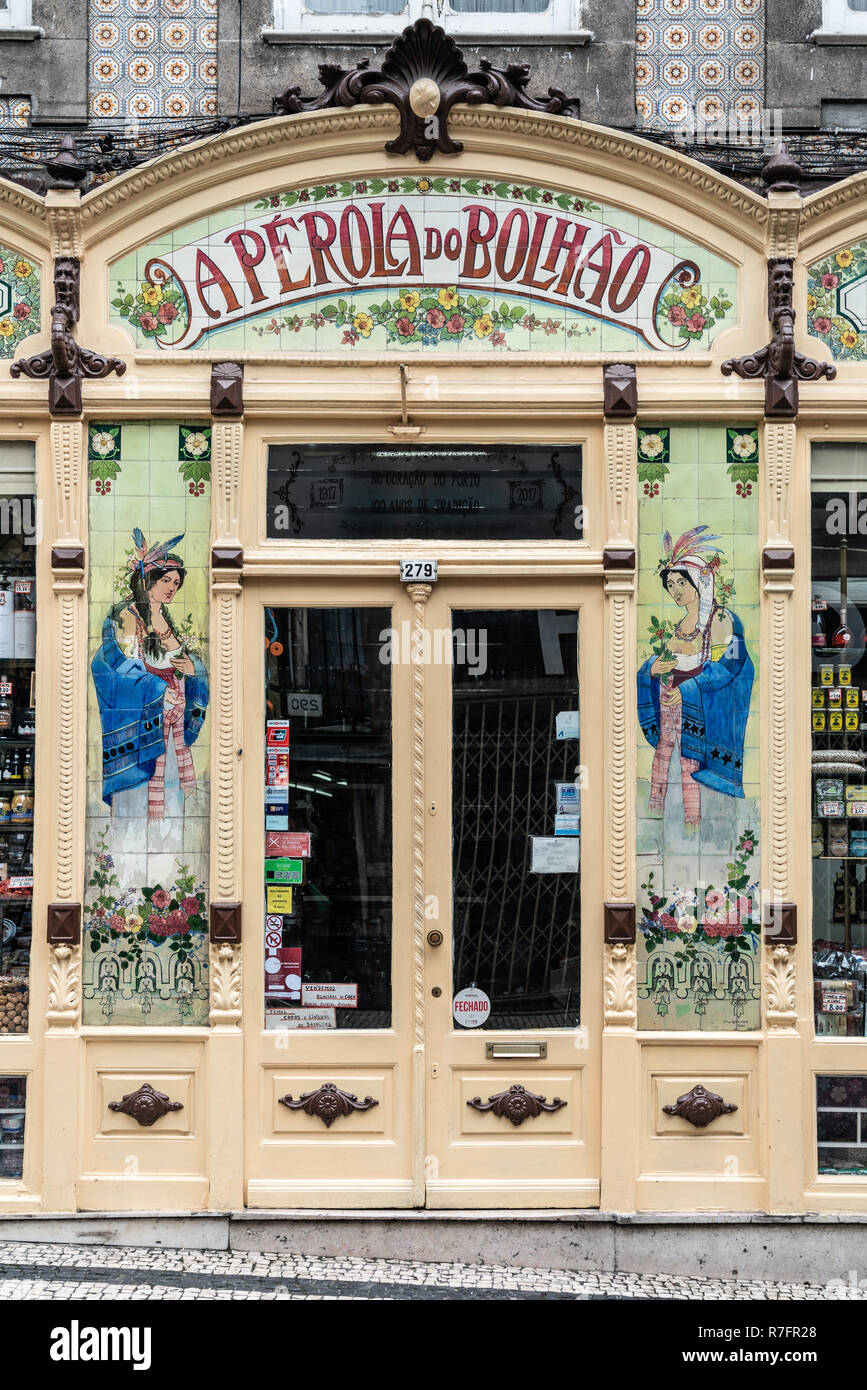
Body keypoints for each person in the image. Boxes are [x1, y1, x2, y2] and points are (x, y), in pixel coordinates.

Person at [638, 526, 753, 826]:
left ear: (699, 583)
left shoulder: (721, 619)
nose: (674, 590)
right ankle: (653, 819)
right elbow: (665, 661)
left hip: (693, 705)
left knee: (689, 765)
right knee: (661, 761)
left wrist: (688, 689)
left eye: (680, 583)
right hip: (668, 701)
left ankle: (693, 824)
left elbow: (728, 666)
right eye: (670, 584)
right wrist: (652, 669)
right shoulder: (680, 624)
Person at [91, 529, 208, 822]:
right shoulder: (127, 615)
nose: (172, 588)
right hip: (146, 719)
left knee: (171, 799)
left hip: (172, 717)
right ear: (149, 581)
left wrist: (194, 670)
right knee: (139, 803)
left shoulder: (165, 618)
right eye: (166, 580)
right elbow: (114, 666)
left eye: (176, 583)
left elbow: (183, 661)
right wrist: (156, 688)